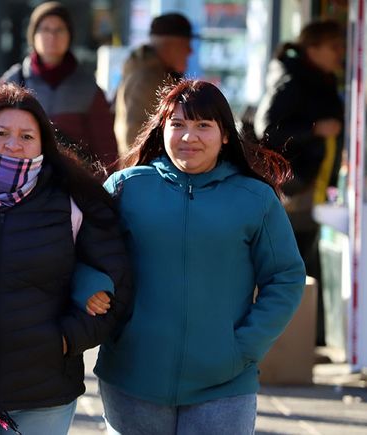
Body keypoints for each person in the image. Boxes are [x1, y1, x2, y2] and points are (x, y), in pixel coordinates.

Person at [94, 79, 306, 434]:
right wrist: (96, 294)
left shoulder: (255, 198)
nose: (188, 137)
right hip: (131, 376)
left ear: (225, 135)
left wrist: (243, 348)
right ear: (162, 130)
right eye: (177, 125)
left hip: (225, 382)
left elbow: (284, 277)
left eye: (203, 126)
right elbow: (89, 255)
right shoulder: (125, 188)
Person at [0, 83, 133, 434]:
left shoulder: (72, 198)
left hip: (44, 390)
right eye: (0, 133)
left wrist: (65, 340)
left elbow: (117, 283)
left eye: (26, 136)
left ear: (43, 142)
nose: (13, 144)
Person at [253, 20, 344, 345]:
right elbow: (268, 130)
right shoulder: (292, 80)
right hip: (295, 188)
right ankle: (293, 340)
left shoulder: (321, 79)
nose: (341, 53)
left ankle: (303, 339)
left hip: (315, 186)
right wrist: (314, 130)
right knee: (293, 265)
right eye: (334, 46)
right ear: (313, 48)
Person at [0, 2, 118, 171]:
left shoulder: (87, 88)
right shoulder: (12, 83)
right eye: (45, 29)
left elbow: (106, 149)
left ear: (70, 35)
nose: (52, 36)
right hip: (21, 179)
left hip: (72, 183)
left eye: (59, 30)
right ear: (33, 35)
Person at [114, 12, 196, 156]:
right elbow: (133, 135)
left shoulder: (149, 73)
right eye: (186, 44)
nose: (190, 51)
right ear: (170, 45)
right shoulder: (147, 79)